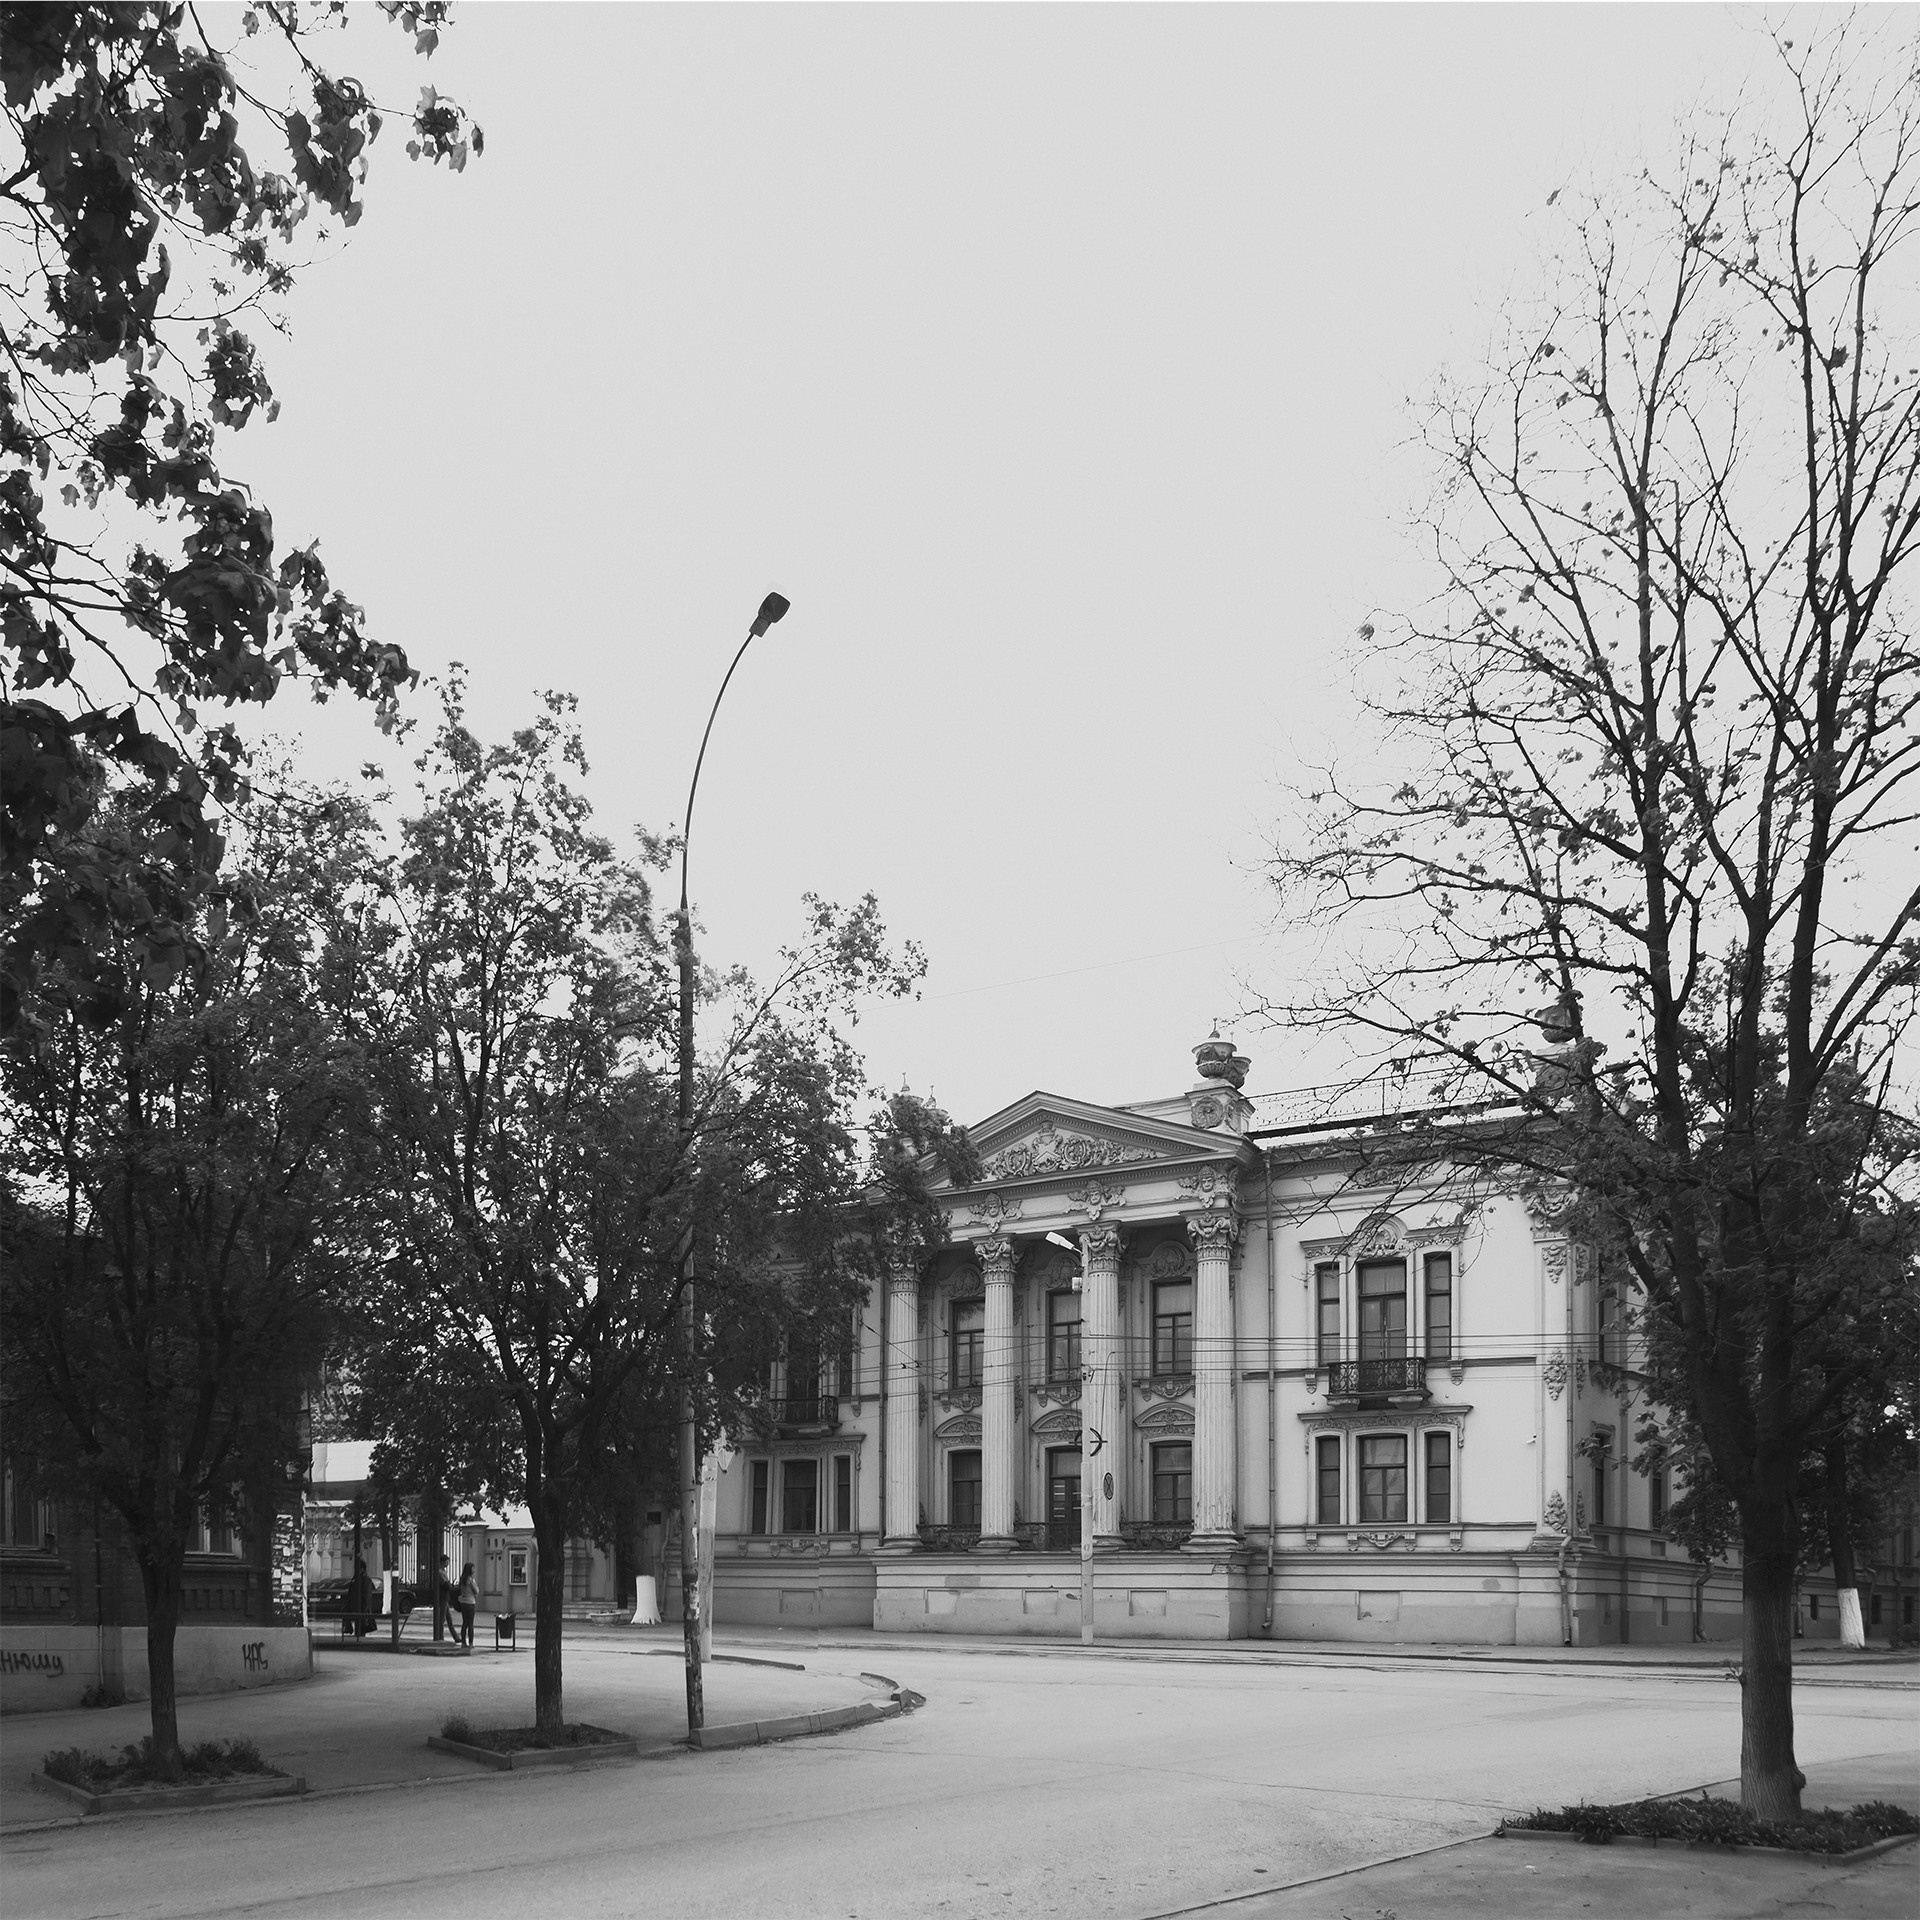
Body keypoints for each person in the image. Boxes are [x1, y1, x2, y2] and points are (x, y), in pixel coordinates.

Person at [345, 1555, 376, 1639]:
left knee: (361, 1627)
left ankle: (360, 1639)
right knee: (359, 1626)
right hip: (357, 1606)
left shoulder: (364, 1580)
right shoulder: (357, 1579)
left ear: (362, 1569)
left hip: (361, 1607)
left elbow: (367, 1595)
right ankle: (358, 1637)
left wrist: (366, 1608)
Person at [456, 1562, 479, 1648]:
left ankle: (463, 1642)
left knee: (464, 1623)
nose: (474, 1570)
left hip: (463, 1602)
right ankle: (471, 1643)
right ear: (470, 1569)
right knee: (470, 1624)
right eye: (473, 1568)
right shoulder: (470, 1580)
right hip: (470, 1602)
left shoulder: (462, 1579)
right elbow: (476, 1591)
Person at [432, 1552, 454, 1641]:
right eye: (447, 1562)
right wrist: (449, 1584)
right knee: (442, 1618)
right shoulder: (440, 1572)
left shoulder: (443, 1571)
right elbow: (446, 1584)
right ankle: (440, 1636)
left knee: (448, 1618)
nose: (448, 1563)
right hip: (443, 1596)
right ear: (442, 1562)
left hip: (445, 1596)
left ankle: (455, 1637)